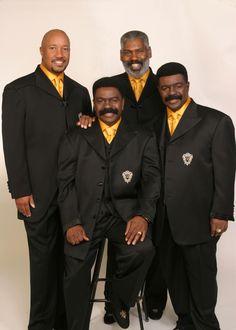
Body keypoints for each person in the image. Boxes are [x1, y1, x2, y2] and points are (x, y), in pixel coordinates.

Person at [2, 29, 92, 330]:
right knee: (42, 264)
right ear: (41, 51)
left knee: (69, 263)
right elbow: (12, 144)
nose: (60, 54)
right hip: (37, 193)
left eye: (65, 48)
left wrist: (88, 124)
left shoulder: (80, 93)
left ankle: (66, 322)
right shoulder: (17, 91)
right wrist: (20, 190)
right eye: (53, 48)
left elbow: (88, 139)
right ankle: (40, 324)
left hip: (73, 197)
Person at [57, 77, 160, 330]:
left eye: (113, 100)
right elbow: (65, 183)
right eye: (101, 101)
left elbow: (152, 180)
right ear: (94, 104)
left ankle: (120, 301)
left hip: (123, 216)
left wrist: (143, 216)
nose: (108, 106)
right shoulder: (75, 136)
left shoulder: (143, 137)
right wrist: (71, 222)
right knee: (75, 270)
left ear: (122, 103)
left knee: (142, 250)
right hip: (84, 215)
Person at [79, 30, 167, 324]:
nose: (134, 58)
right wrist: (86, 117)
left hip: (157, 173)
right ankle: (114, 305)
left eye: (139, 51)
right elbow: (92, 121)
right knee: (124, 242)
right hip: (115, 180)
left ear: (149, 51)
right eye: (128, 52)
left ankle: (152, 300)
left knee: (152, 243)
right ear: (121, 55)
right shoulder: (109, 87)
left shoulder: (164, 85)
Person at [154, 62, 236, 330]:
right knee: (174, 275)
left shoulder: (216, 122)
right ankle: (185, 322)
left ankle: (206, 325)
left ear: (187, 86)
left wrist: (221, 213)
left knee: (201, 277)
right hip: (164, 219)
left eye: (178, 86)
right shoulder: (155, 125)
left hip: (200, 218)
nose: (172, 92)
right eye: (166, 88)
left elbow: (225, 172)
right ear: (159, 90)